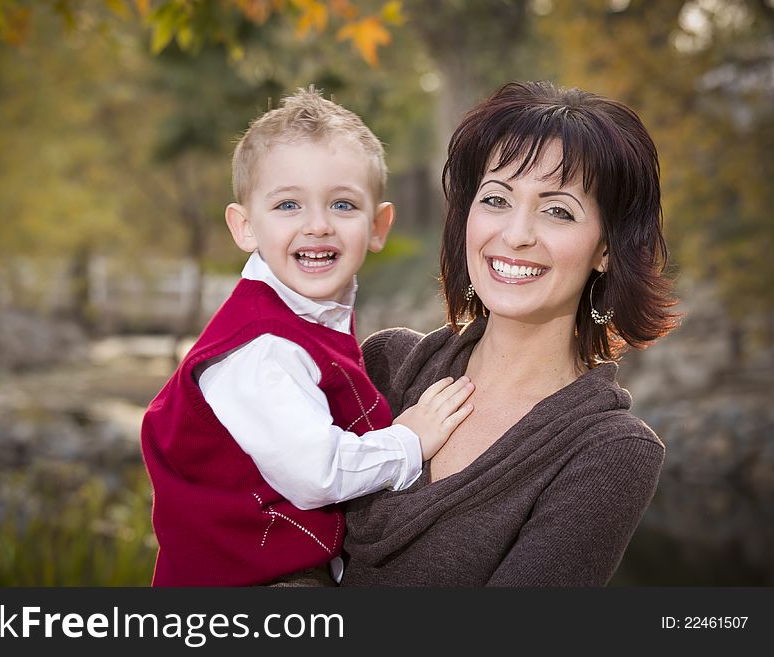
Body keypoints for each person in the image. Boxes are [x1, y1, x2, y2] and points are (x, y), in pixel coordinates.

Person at [342, 80, 680, 586]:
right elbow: (269, 534)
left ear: (607, 251)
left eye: (557, 210)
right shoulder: (387, 365)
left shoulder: (609, 451)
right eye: (497, 199)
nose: (517, 234)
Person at [141, 88, 474, 587]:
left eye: (342, 204)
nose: (317, 225)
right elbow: (316, 473)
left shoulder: (312, 318)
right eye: (288, 205)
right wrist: (409, 441)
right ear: (245, 226)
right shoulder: (263, 351)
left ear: (378, 225)